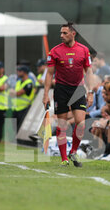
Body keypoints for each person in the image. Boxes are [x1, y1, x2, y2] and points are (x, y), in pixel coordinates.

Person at [43, 22, 94, 167]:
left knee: (81, 123)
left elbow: (89, 72)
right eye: (61, 33)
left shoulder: (84, 50)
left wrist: (90, 92)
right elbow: (49, 74)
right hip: (61, 89)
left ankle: (73, 151)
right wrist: (45, 94)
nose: (61, 36)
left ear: (73, 33)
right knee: (62, 125)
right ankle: (64, 158)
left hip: (78, 90)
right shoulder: (54, 51)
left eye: (65, 33)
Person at [10, 65, 34, 132]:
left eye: (20, 71)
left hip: (24, 108)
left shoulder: (29, 83)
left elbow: (19, 93)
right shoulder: (18, 82)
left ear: (25, 72)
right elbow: (11, 93)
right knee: (14, 126)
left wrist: (14, 92)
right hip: (16, 108)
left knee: (21, 126)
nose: (18, 72)